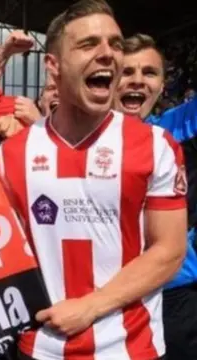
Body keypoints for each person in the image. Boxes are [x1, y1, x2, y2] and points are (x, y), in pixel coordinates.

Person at [0, 1, 187, 359]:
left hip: (132, 349)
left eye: (114, 44)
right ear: (53, 67)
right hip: (39, 349)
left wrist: (90, 306)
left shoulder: (156, 146)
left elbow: (169, 250)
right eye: (88, 45)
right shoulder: (12, 154)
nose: (107, 54)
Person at [115, 34, 197, 360]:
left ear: (163, 85)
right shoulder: (77, 144)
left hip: (175, 298)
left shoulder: (175, 129)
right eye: (127, 72)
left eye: (149, 73)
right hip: (110, 300)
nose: (137, 80)